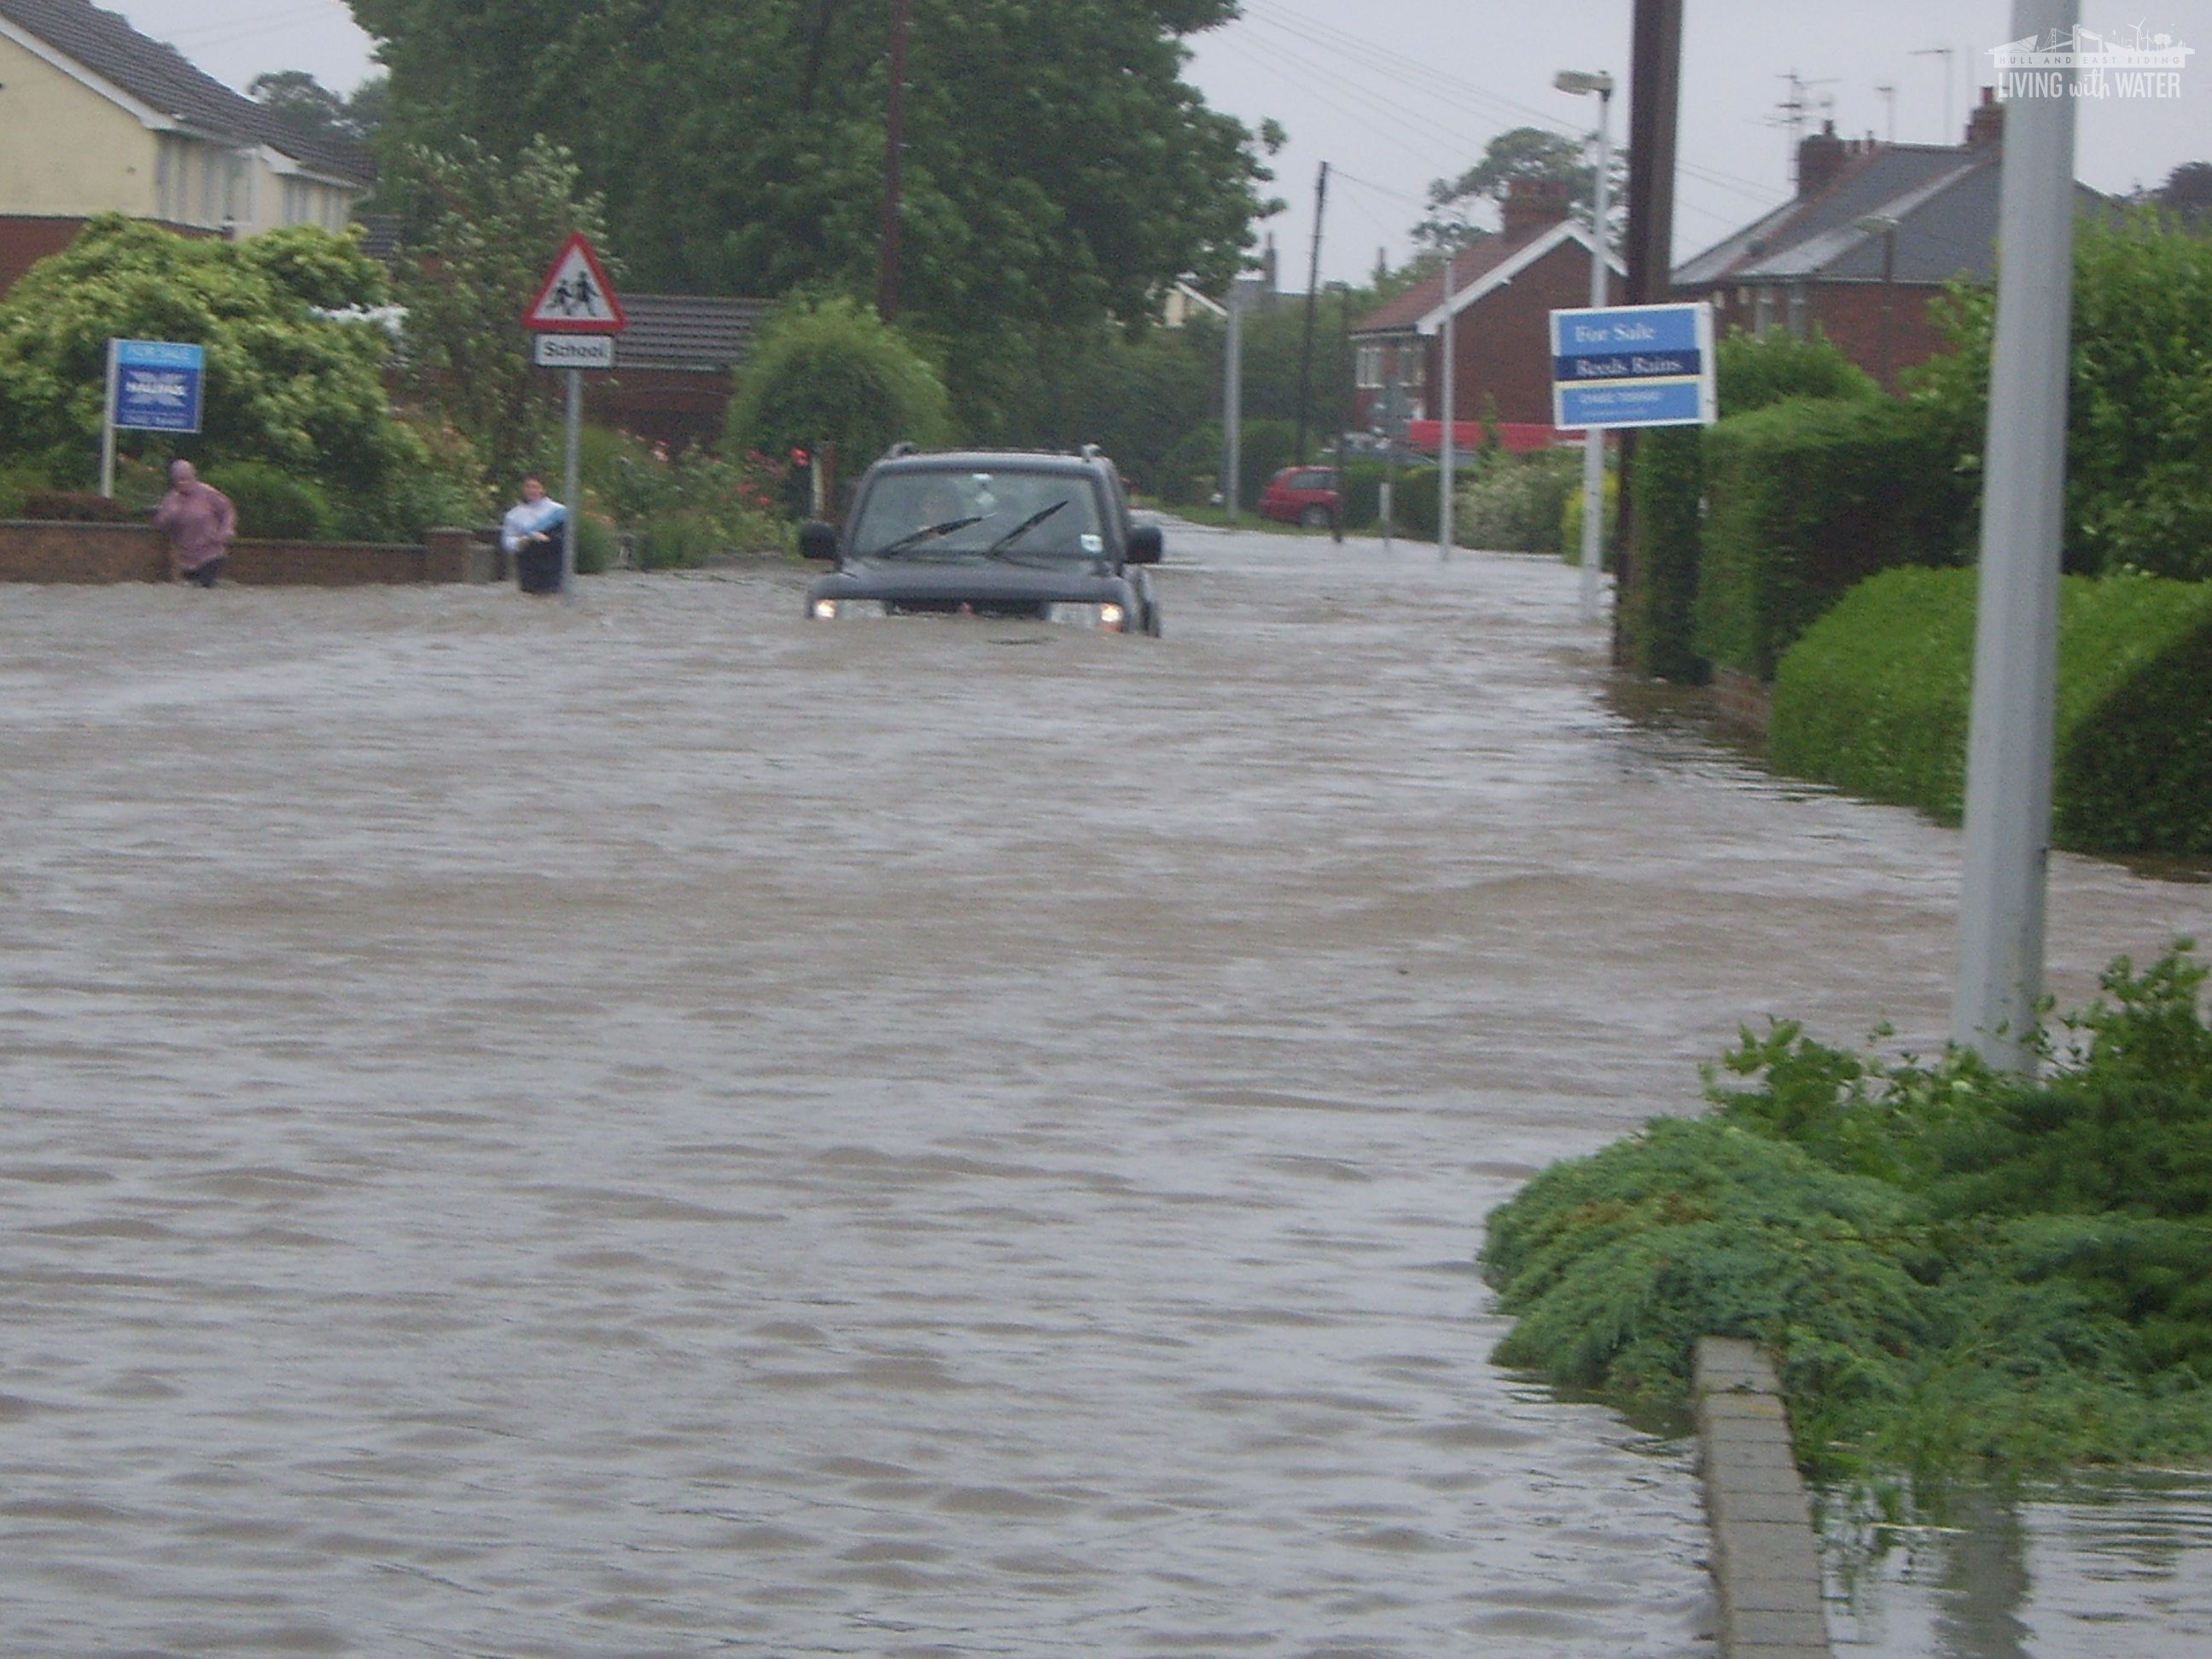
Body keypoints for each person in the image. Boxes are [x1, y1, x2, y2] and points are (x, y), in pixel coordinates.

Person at [153, 459, 236, 587]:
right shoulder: (172, 499)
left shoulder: (208, 494)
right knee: (191, 588)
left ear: (194, 477)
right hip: (187, 557)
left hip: (211, 553)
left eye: (186, 478)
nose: (182, 483)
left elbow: (228, 511)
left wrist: (225, 530)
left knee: (205, 586)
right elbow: (161, 525)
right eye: (178, 480)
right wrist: (170, 514)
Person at [501, 473, 568, 594]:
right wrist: (520, 542)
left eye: (535, 487)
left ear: (543, 489)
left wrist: (547, 539)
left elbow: (566, 539)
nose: (531, 490)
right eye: (528, 486)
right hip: (528, 566)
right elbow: (507, 540)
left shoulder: (559, 511)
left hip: (552, 566)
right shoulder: (514, 515)